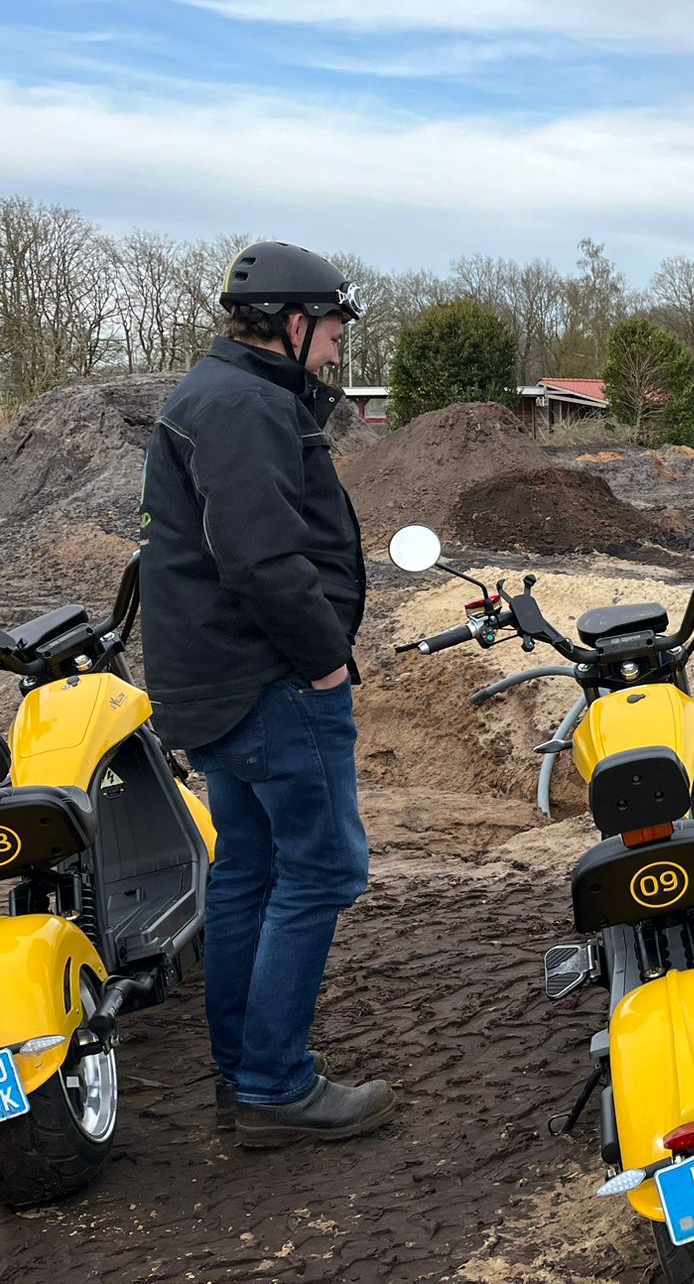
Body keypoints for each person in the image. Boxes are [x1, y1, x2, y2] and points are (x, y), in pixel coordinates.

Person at [138, 240, 394, 1146]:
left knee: (248, 871)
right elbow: (262, 558)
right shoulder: (244, 404)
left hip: (216, 681)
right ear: (294, 323)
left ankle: (244, 1076)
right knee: (320, 870)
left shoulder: (219, 395)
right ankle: (276, 1087)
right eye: (331, 331)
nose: (334, 350)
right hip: (269, 683)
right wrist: (326, 661)